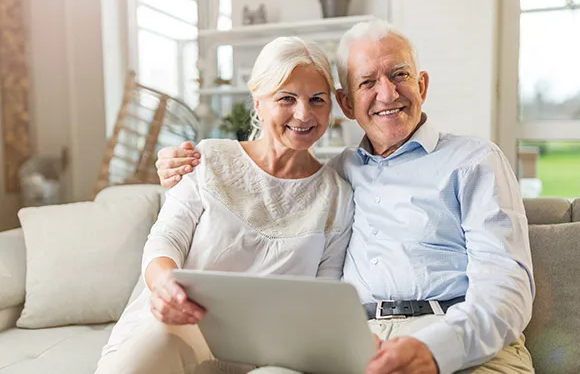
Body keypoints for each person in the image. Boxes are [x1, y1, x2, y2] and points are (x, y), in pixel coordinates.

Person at [157, 19, 535, 374]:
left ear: (422, 85)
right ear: (347, 103)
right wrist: (178, 164)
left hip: (463, 343)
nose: (387, 93)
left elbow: (507, 290)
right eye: (367, 81)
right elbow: (268, 184)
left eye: (399, 74)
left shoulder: (475, 161)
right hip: (358, 343)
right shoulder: (336, 176)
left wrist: (435, 350)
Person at [95, 36, 354, 374]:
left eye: (317, 99)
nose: (303, 114)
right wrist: (163, 286)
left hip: (270, 356)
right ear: (258, 102)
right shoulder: (209, 158)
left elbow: (324, 295)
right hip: (180, 330)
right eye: (286, 98)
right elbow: (166, 237)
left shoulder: (337, 195)